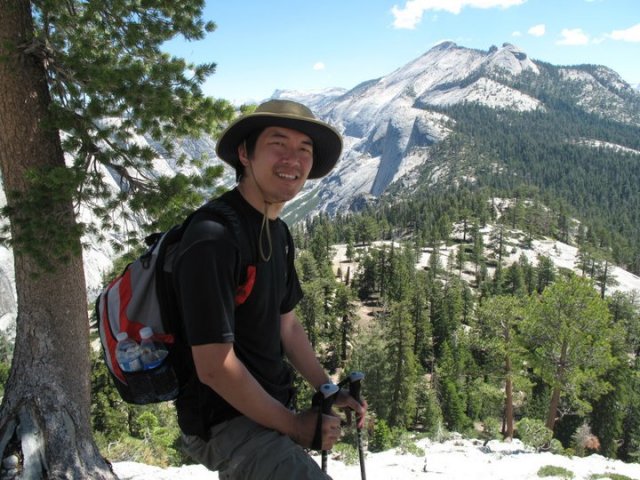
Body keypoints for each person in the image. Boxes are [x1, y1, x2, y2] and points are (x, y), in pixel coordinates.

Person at [173, 99, 367, 479]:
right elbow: (214, 367)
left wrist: (326, 388)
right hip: (227, 420)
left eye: (304, 148)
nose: (292, 159)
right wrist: (294, 425)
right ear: (244, 154)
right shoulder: (213, 237)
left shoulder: (277, 231)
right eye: (278, 143)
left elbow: (287, 326)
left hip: (267, 411)